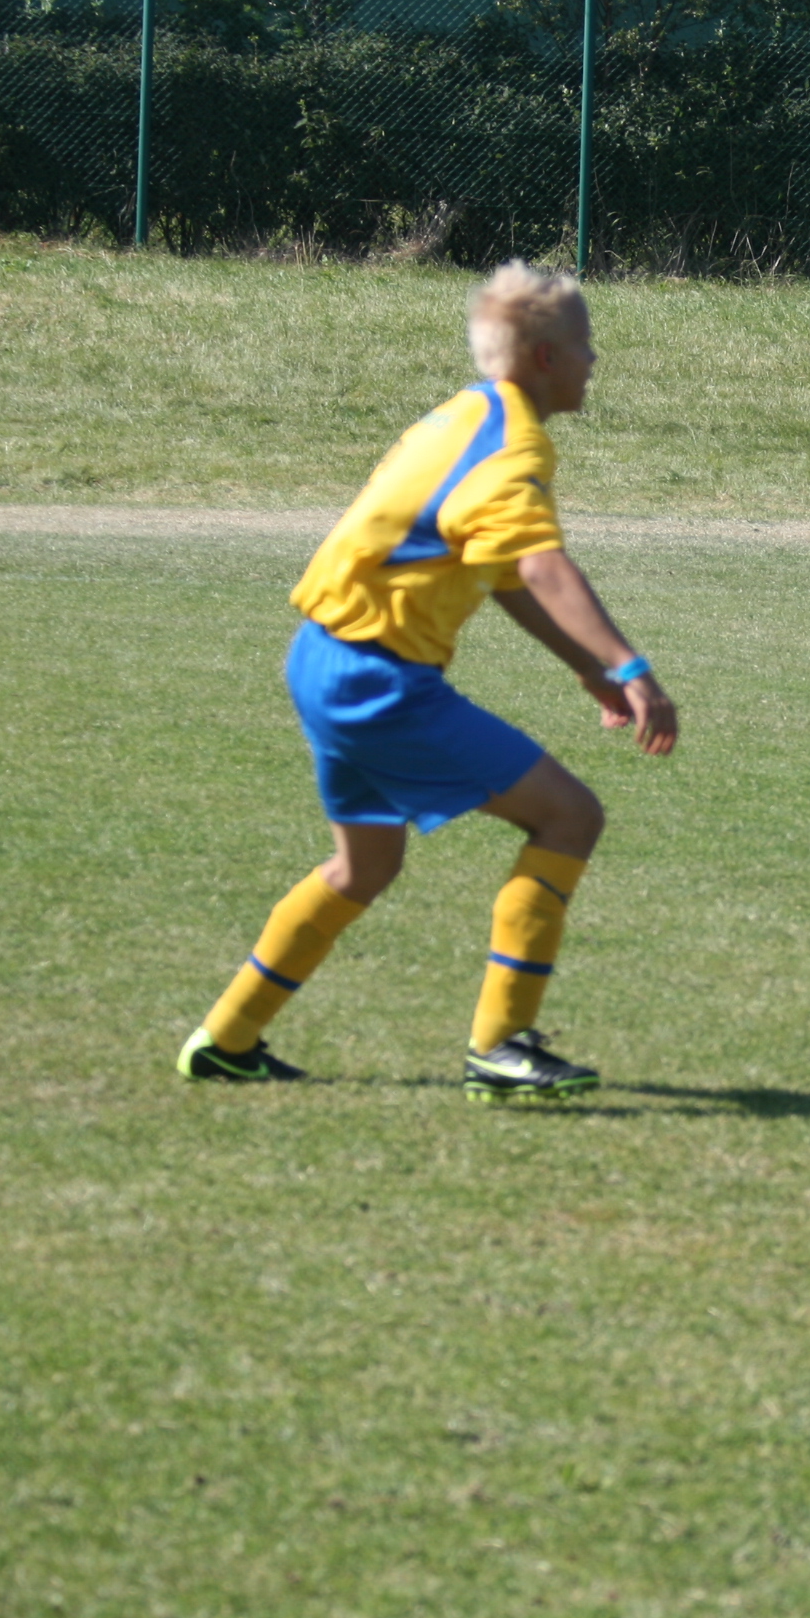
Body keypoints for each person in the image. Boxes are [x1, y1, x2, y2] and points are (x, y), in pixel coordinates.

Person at [175, 261, 678, 1102]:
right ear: (548, 357)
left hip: (321, 657)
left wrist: (585, 668)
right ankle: (501, 1046)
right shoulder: (513, 445)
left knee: (363, 867)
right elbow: (540, 567)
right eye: (587, 345)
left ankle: (226, 1039)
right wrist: (631, 668)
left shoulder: (463, 414)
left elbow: (501, 570)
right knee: (569, 815)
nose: (595, 361)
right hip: (379, 682)